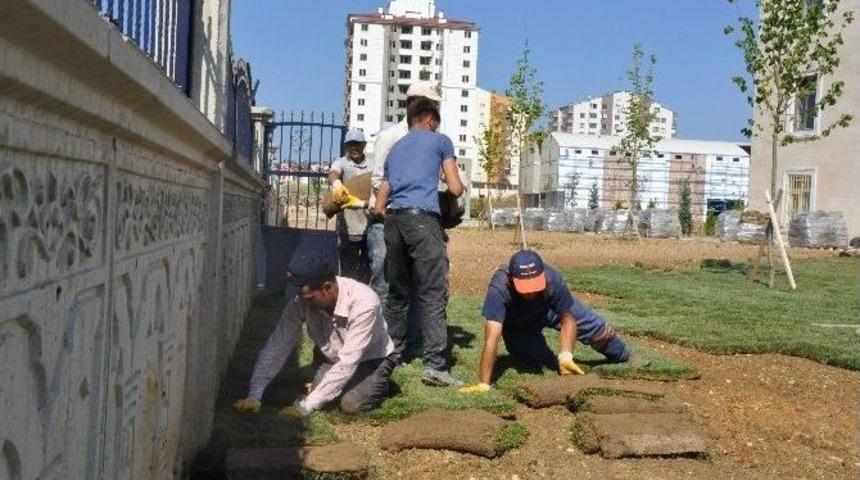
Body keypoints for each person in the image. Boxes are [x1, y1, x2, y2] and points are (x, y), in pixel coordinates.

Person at [372, 98, 464, 387]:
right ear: (429, 119)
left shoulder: (395, 147)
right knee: (433, 292)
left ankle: (392, 354)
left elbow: (379, 202)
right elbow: (455, 187)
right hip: (423, 222)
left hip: (394, 223)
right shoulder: (441, 141)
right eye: (435, 122)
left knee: (397, 293)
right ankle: (435, 366)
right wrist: (446, 201)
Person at [459, 250, 636, 393]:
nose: (530, 293)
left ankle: (625, 356)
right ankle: (537, 354)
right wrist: (484, 383)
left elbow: (568, 319)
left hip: (548, 310)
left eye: (534, 286)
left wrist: (566, 354)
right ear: (511, 279)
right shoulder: (499, 288)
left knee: (598, 331)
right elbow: (492, 339)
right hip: (518, 323)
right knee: (536, 360)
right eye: (525, 288)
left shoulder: (552, 279)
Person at [233, 261, 396, 416]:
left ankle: (381, 382)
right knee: (320, 392)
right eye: (301, 296)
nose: (304, 303)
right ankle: (336, 379)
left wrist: (304, 408)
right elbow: (278, 345)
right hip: (332, 357)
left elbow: (349, 362)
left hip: (371, 359)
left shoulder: (364, 303)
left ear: (328, 287)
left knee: (350, 404)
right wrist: (254, 395)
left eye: (310, 298)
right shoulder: (302, 301)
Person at [369, 81, 443, 355]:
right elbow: (380, 179)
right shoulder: (390, 137)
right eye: (431, 105)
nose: (434, 112)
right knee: (387, 284)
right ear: (415, 103)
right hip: (388, 218)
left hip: (419, 219)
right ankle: (380, 344)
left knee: (414, 284)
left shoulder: (433, 137)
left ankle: (408, 345)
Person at [328, 128, 372, 282]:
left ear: (364, 145)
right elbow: (333, 173)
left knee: (368, 268)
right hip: (348, 228)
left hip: (370, 225)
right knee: (348, 271)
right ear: (346, 146)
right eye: (350, 144)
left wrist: (363, 203)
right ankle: (348, 301)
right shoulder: (341, 162)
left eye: (357, 144)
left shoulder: (372, 163)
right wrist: (337, 183)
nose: (354, 148)